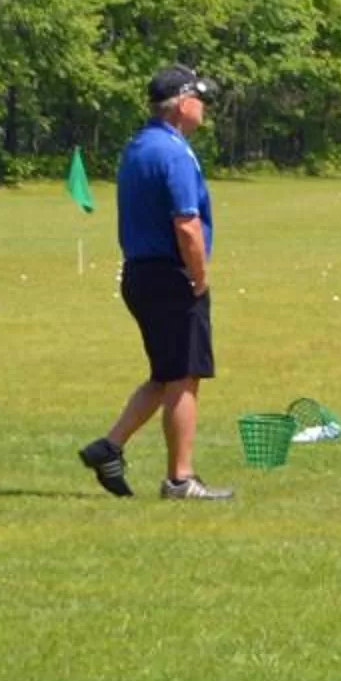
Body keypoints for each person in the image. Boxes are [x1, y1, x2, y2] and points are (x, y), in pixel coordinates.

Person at [79, 65, 231, 500]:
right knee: (185, 375)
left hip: (140, 274)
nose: (204, 108)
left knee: (165, 374)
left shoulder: (138, 146)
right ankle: (180, 479)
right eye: (200, 100)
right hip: (171, 275)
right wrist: (199, 278)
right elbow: (187, 224)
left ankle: (108, 447)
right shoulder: (175, 153)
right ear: (183, 104)